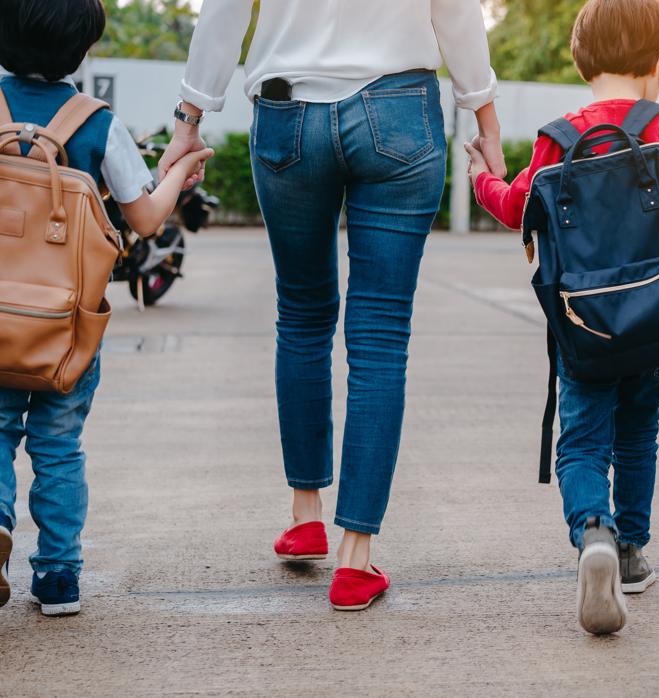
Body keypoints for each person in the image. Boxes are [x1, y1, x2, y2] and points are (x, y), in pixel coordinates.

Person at [164, 0, 505, 611]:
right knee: (379, 336)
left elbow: (223, 11)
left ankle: (305, 517)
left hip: (287, 109)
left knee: (301, 316)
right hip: (401, 111)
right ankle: (354, 559)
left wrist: (189, 118)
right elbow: (454, 10)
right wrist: (486, 118)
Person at [466, 0, 659, 633]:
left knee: (582, 441)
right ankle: (631, 552)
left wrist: (481, 178)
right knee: (637, 436)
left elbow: (514, 208)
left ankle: (594, 533)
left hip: (584, 328)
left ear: (582, 61)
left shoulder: (560, 137)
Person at [0, 0, 213, 616]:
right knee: (59, 447)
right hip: (65, 328)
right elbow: (145, 219)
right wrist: (181, 171)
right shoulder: (96, 123)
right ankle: (59, 577)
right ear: (82, 51)